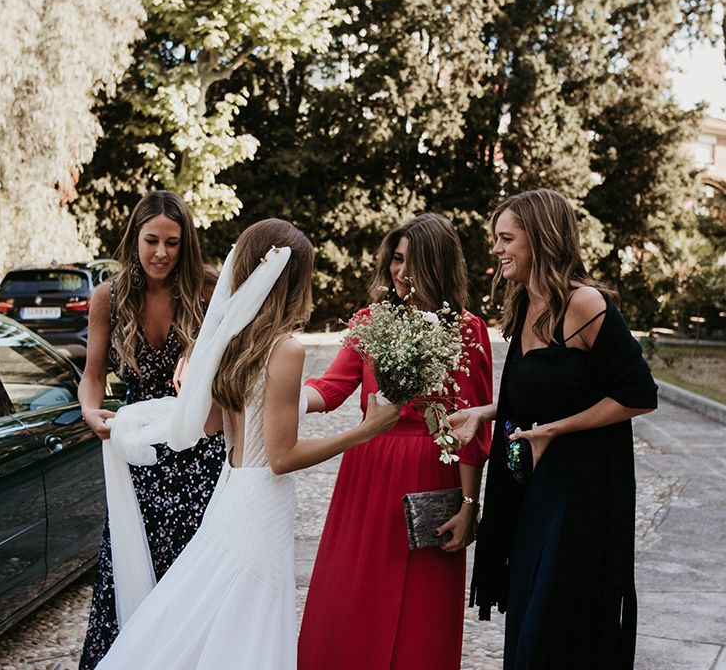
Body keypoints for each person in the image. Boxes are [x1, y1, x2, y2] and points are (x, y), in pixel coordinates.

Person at [95, 218, 402, 670]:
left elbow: (214, 424)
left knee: (208, 612)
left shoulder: (231, 340)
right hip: (260, 502)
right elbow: (281, 458)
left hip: (231, 491)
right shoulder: (284, 349)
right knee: (245, 619)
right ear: (293, 280)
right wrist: (366, 430)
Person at [448, 188, 658, 670]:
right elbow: (537, 393)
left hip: (580, 490)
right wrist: (485, 412)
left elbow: (638, 395)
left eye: (506, 238)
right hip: (529, 484)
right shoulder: (524, 305)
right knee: (527, 617)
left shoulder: (586, 304)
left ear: (540, 239)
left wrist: (554, 431)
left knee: (552, 621)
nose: (496, 250)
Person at [298, 212, 494, 670]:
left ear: (440, 265)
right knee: (350, 597)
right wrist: (278, 399)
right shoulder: (370, 320)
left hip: (431, 474)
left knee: (422, 613)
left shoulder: (467, 330)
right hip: (366, 472)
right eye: (397, 260)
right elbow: (330, 387)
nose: (402, 273)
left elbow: (470, 430)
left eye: (414, 262)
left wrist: (469, 506)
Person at [78, 191, 225, 670]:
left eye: (173, 242)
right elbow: (94, 375)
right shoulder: (109, 296)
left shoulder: (208, 289)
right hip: (139, 453)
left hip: (198, 450)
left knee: (193, 568)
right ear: (134, 240)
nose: (161, 252)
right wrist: (90, 411)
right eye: (151, 241)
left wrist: (203, 354)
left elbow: (241, 359)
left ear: (186, 244)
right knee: (130, 561)